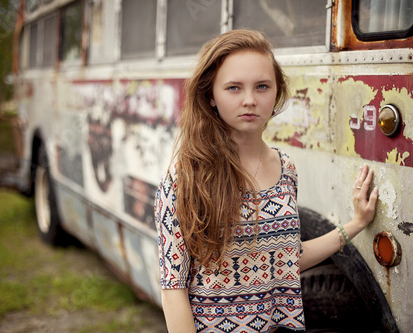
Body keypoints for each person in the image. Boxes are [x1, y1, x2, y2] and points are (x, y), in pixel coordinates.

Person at [154, 29, 378, 333]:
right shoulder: (185, 176)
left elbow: (287, 261)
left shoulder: (285, 168)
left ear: (276, 95)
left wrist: (356, 223)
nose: (250, 100)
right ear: (211, 97)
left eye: (262, 86)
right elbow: (173, 287)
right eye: (233, 88)